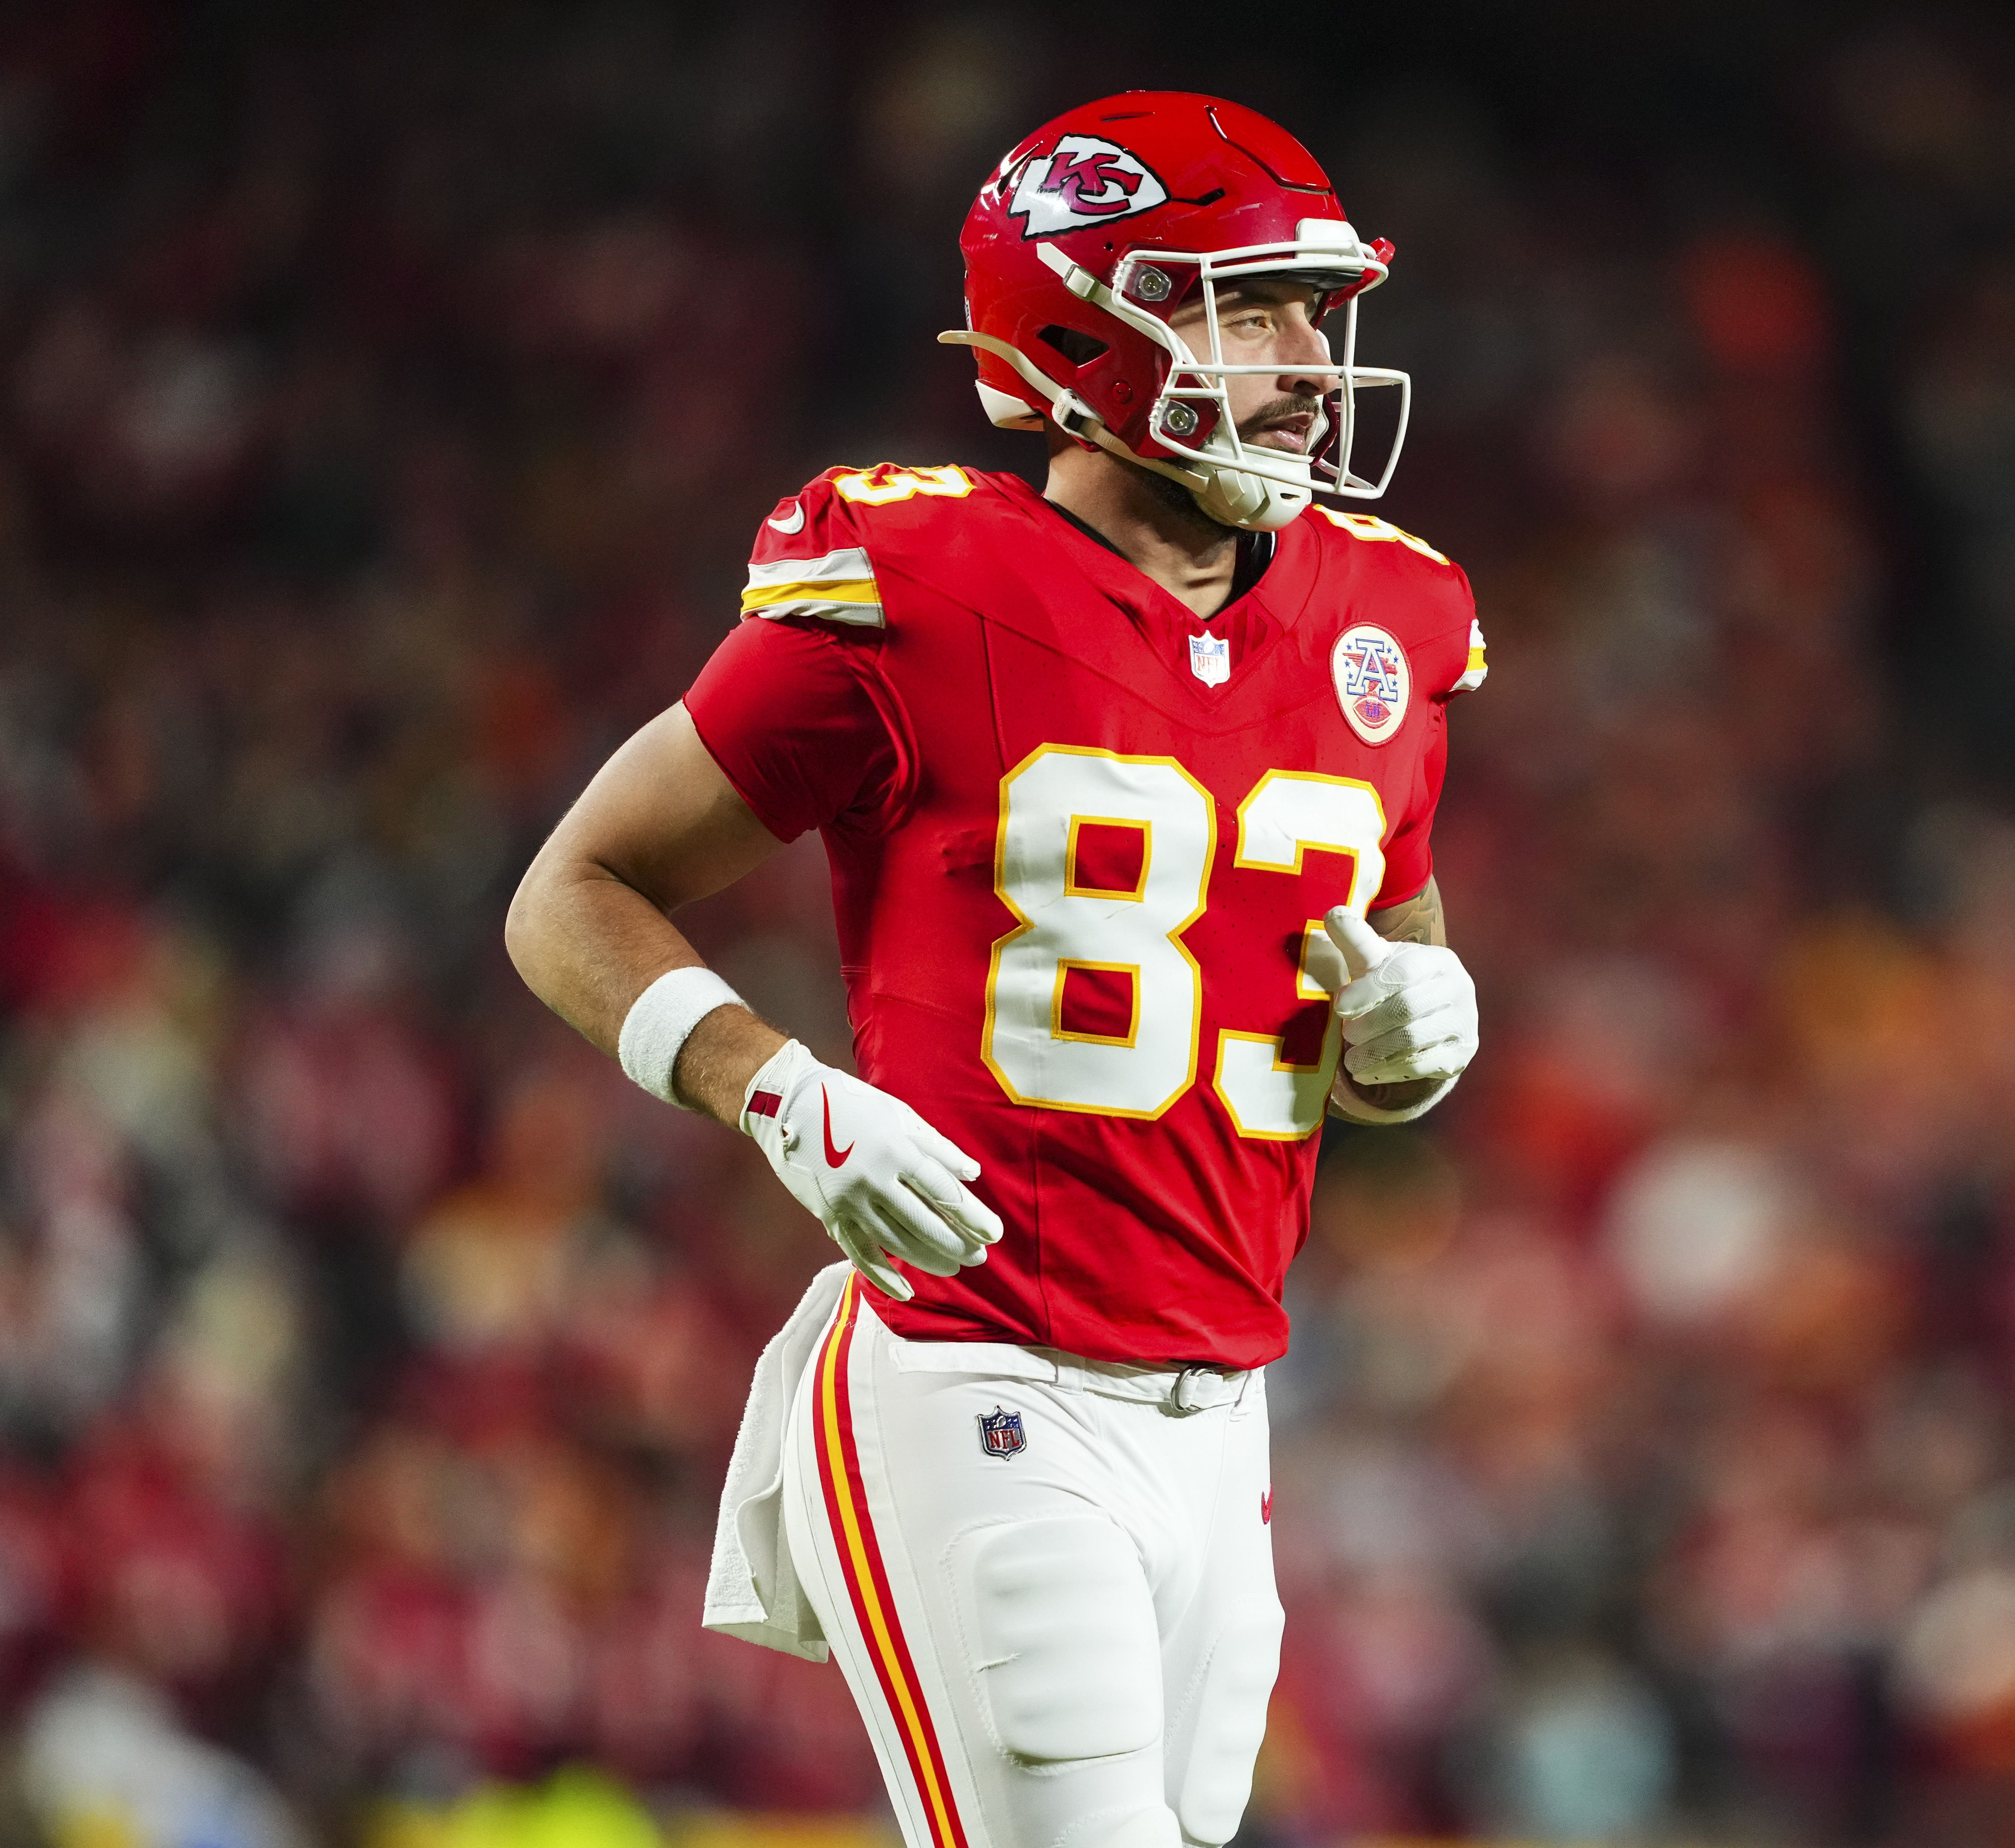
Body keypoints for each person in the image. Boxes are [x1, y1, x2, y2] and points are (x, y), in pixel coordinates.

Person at [504, 92, 1484, 1848]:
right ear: (1079, 328)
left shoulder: (1387, 619)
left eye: (1313, 310)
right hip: (982, 1362)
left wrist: (1421, 1025)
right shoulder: (921, 585)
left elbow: (1378, 994)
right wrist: (774, 1091)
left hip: (1226, 1404)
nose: (1302, 360)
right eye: (1243, 306)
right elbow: (572, 889)